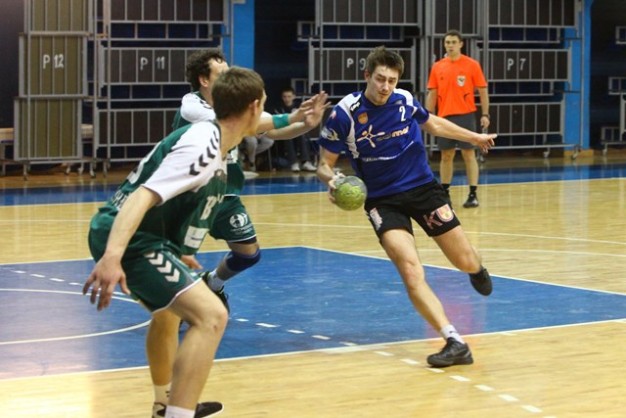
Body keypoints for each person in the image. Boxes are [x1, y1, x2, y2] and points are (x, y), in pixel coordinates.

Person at [83, 67, 268, 418]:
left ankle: (164, 404)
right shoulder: (204, 147)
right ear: (254, 107)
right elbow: (142, 196)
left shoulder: (216, 143)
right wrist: (113, 256)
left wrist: (181, 252)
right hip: (133, 238)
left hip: (148, 238)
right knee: (212, 315)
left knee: (168, 314)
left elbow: (183, 204)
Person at [316, 46, 496, 368]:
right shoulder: (345, 113)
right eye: (380, 79)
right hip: (382, 201)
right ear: (367, 75)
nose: (385, 86)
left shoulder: (404, 100)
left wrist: (474, 137)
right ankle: (454, 341)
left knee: (464, 260)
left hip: (423, 190)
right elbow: (324, 165)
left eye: (392, 80)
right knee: (411, 270)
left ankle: (476, 269)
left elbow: (434, 124)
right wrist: (334, 181)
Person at [425, 29, 490, 208]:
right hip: (444, 117)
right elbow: (432, 93)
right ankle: (445, 193)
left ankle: (472, 194)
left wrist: (485, 114)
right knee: (446, 155)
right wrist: (427, 115)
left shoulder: (472, 65)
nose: (450, 45)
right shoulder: (437, 67)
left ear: (461, 44)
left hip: (466, 116)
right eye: (447, 42)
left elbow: (483, 91)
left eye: (454, 42)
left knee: (468, 153)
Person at [274, 86, 318, 172]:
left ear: (294, 96)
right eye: (285, 97)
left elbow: (304, 119)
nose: (287, 99)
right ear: (282, 97)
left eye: (289, 96)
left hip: (297, 128)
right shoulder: (278, 108)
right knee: (288, 136)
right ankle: (293, 162)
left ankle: (306, 162)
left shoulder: (299, 107)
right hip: (283, 131)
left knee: (302, 134)